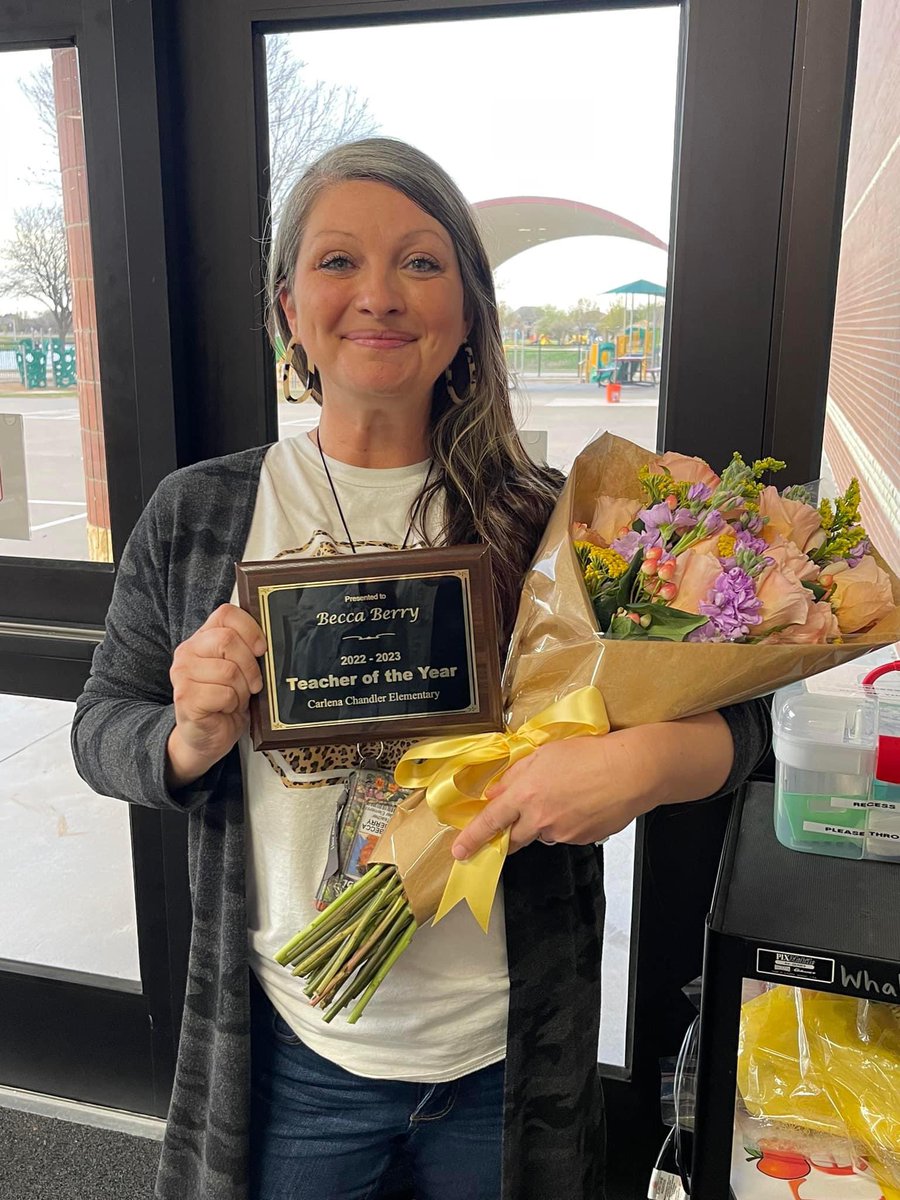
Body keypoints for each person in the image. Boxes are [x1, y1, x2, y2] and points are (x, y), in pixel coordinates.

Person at [72, 137, 769, 1200]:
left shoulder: (550, 519)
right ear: (287, 310)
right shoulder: (200, 513)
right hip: (294, 1054)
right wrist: (185, 737)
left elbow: (741, 730)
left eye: (423, 263)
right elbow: (98, 727)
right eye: (339, 262)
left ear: (468, 309)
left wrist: (644, 765)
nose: (381, 295)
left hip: (503, 1059)